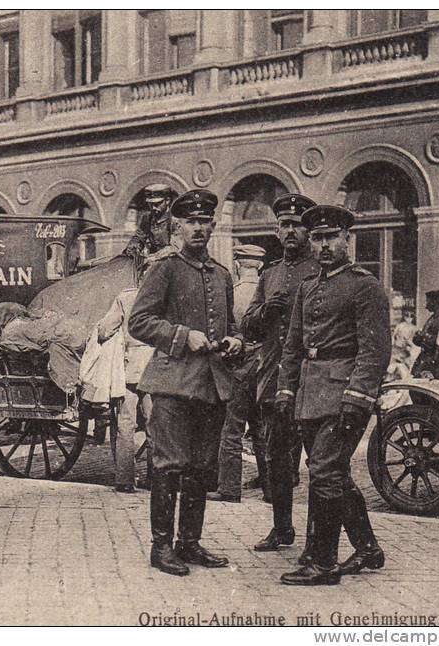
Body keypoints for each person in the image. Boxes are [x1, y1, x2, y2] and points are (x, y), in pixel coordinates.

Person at [129, 189, 243, 576]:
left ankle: (189, 542)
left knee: (200, 467)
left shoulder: (222, 275)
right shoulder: (165, 268)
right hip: (173, 383)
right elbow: (139, 322)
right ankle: (161, 547)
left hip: (212, 385)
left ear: (213, 225)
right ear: (178, 226)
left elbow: (231, 326)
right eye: (190, 222)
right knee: (168, 465)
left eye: (204, 221)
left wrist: (234, 340)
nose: (198, 228)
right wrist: (182, 336)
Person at [275, 205, 390, 585]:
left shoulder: (365, 286)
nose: (324, 245)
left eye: (331, 237)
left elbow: (374, 351)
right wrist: (286, 390)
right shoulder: (309, 287)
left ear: (346, 239)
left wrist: (358, 399)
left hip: (343, 393)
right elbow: (293, 345)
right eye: (318, 238)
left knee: (323, 472)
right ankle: (367, 548)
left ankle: (322, 562)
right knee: (333, 471)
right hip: (310, 391)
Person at [240, 193, 321, 553]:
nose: (290, 231)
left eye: (297, 225)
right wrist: (264, 313)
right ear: (277, 230)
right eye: (285, 225)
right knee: (276, 458)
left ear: (308, 230)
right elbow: (247, 327)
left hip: (312, 380)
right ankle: (281, 528)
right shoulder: (269, 274)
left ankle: (318, 537)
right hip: (273, 378)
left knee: (318, 460)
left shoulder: (320, 270)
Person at [208, 244, 266, 503]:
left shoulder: (234, 293)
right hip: (264, 366)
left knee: (231, 429)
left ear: (237, 265)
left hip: (240, 366)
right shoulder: (267, 291)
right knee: (260, 428)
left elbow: (227, 331)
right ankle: (271, 486)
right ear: (260, 266)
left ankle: (229, 488)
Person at [94, 267, 154, 493]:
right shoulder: (166, 298)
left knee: (125, 424)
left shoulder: (126, 296)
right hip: (157, 368)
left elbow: (104, 330)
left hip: (130, 368)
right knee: (155, 425)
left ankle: (125, 480)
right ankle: (155, 479)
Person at [122, 183, 178, 274]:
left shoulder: (175, 220)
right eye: (150, 204)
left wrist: (153, 257)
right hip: (151, 264)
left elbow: (175, 247)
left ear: (167, 200)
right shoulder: (147, 218)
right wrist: (132, 249)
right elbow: (138, 237)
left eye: (157, 204)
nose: (153, 208)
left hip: (173, 264)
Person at [411, 290, 439, 379]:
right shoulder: (433, 318)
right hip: (427, 361)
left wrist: (422, 337)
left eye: (428, 301)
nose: (426, 305)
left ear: (434, 302)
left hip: (435, 365)